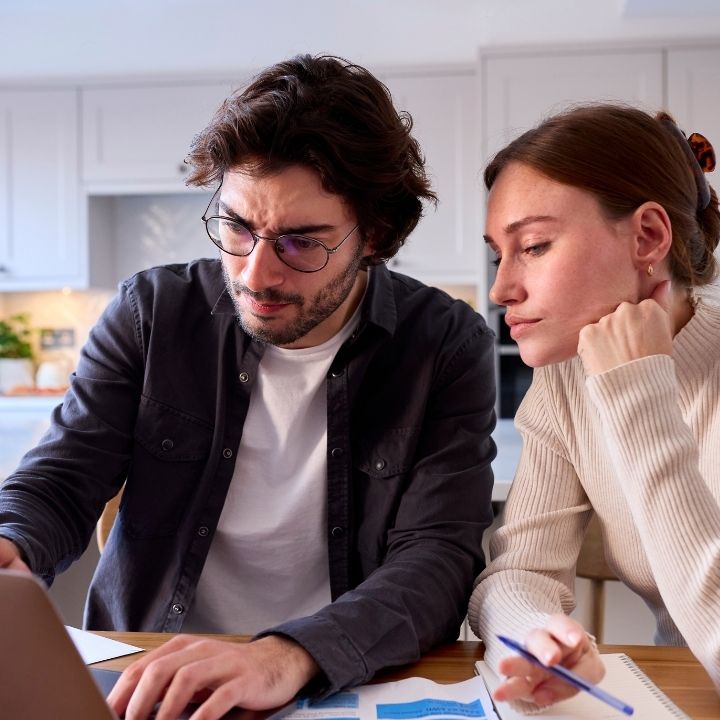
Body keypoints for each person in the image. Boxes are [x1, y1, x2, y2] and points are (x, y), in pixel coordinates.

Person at [0, 55, 496, 718]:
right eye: (236, 227)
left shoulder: (444, 344)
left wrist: (285, 654)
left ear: (373, 234)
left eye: (301, 242)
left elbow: (437, 560)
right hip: (150, 671)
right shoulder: (152, 314)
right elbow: (61, 479)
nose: (257, 273)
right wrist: (10, 539)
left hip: (344, 679)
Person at [468, 103, 720, 709]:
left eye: (533, 245)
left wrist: (638, 387)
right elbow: (518, 571)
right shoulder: (567, 385)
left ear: (648, 237)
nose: (502, 288)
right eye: (498, 253)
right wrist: (535, 636)